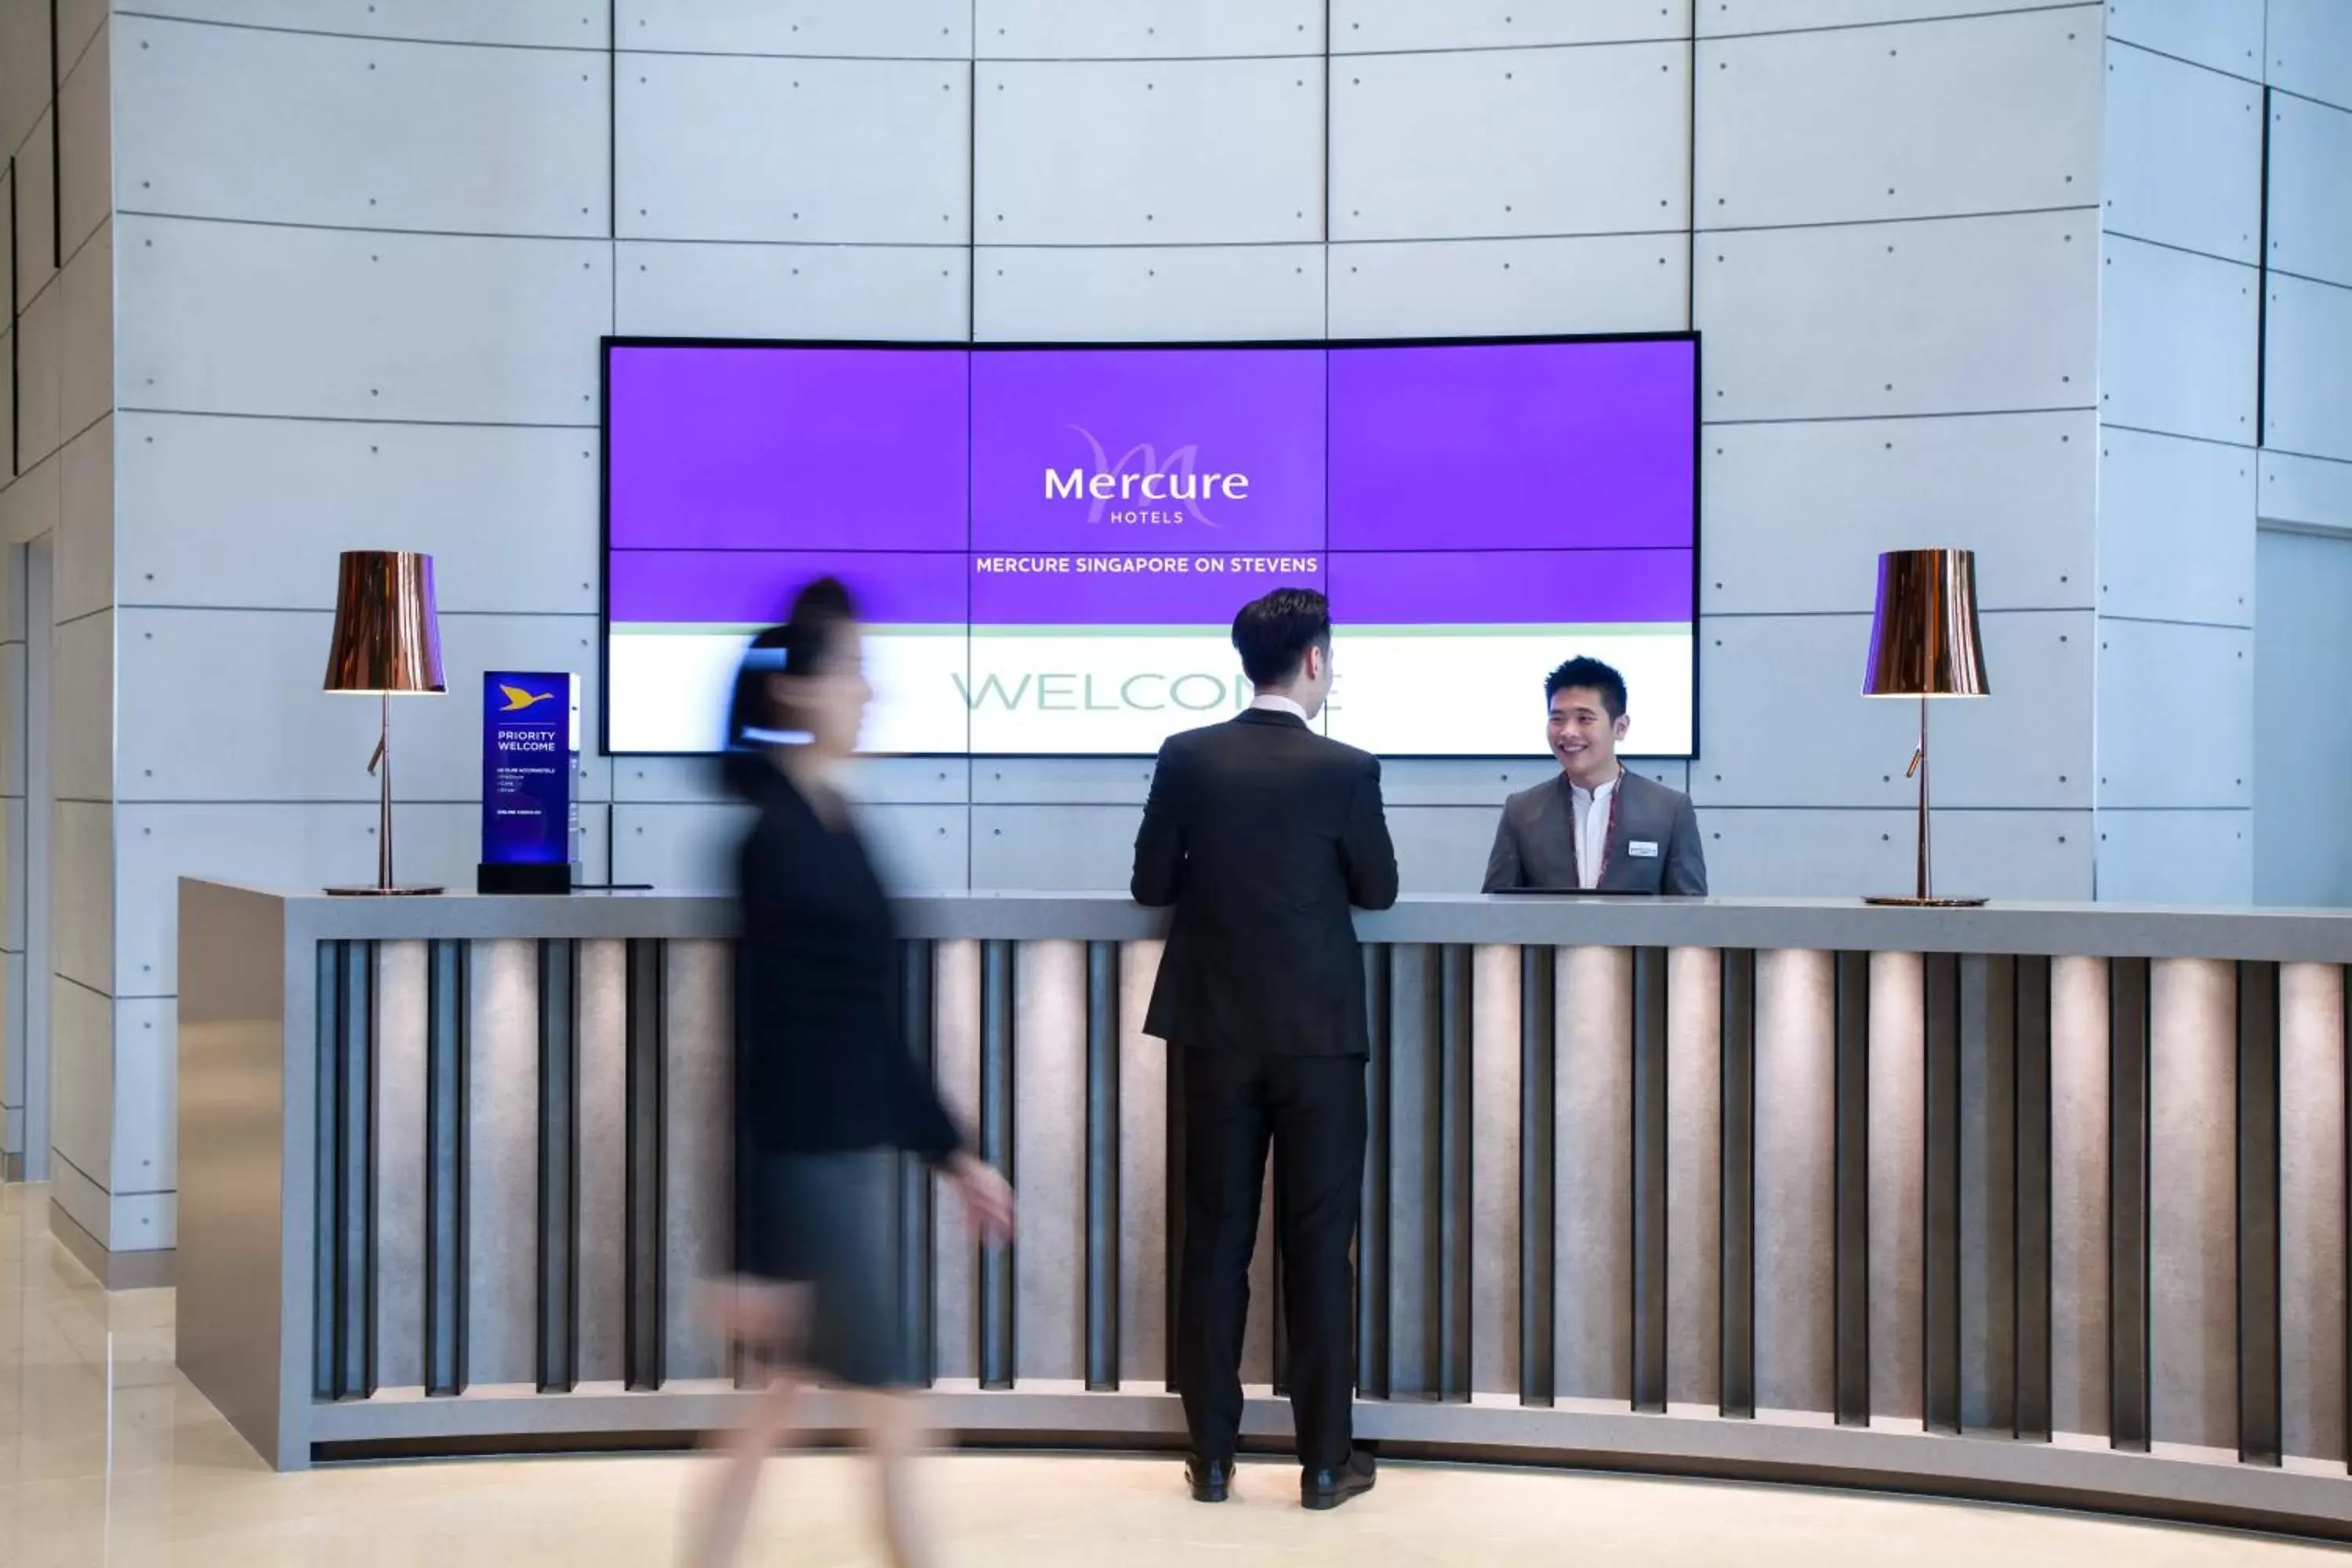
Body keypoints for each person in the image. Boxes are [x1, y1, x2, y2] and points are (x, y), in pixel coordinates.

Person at [684, 578, 1016, 1568]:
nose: (870, 694)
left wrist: (954, 1152)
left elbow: (872, 1020)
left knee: (781, 1409)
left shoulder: (832, 825)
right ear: (800, 691)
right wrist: (750, 1247)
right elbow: (763, 1040)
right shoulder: (774, 842)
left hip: (843, 1161)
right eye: (855, 673)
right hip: (807, 1173)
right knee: (893, 1412)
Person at [1131, 586, 1399, 1513]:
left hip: (1214, 1033)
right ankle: (1326, 1462)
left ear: (1247, 661)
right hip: (1320, 1039)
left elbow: (1149, 879)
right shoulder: (1348, 768)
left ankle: (1211, 1456)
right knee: (1320, 1248)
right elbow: (1381, 887)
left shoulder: (1188, 756)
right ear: (1315, 660)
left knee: (1216, 1242)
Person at [1483, 655, 1707, 895]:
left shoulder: (1669, 810)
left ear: (1620, 728)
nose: (1568, 732)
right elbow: (1496, 912)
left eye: (1584, 719)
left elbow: (1690, 915)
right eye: (1557, 719)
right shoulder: (1522, 810)